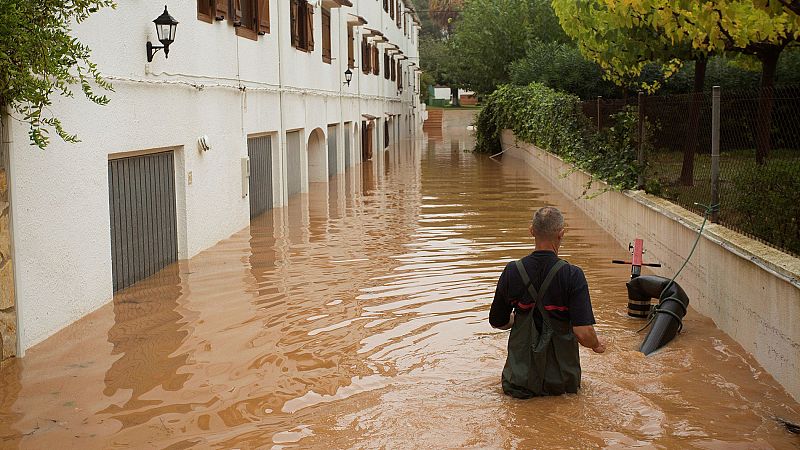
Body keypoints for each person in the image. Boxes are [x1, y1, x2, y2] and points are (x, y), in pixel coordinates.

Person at [489, 206, 605, 398]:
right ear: (561, 234)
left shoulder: (512, 271)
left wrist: (518, 319)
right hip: (561, 385)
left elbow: (497, 321)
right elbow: (583, 332)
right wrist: (596, 344)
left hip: (519, 383)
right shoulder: (572, 275)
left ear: (531, 231)